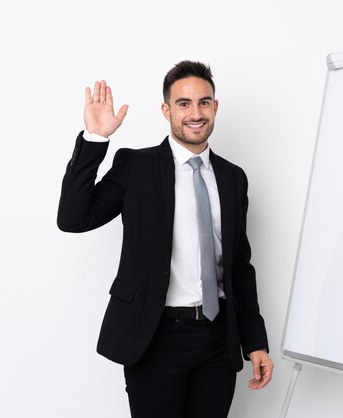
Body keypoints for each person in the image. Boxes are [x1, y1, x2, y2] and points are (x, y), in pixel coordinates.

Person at [57, 61, 272, 418]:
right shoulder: (135, 167)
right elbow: (73, 218)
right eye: (184, 103)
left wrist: (255, 342)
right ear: (166, 110)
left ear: (215, 108)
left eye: (204, 102)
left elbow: (239, 266)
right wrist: (96, 139)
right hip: (156, 337)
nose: (195, 113)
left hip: (219, 341)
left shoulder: (233, 178)